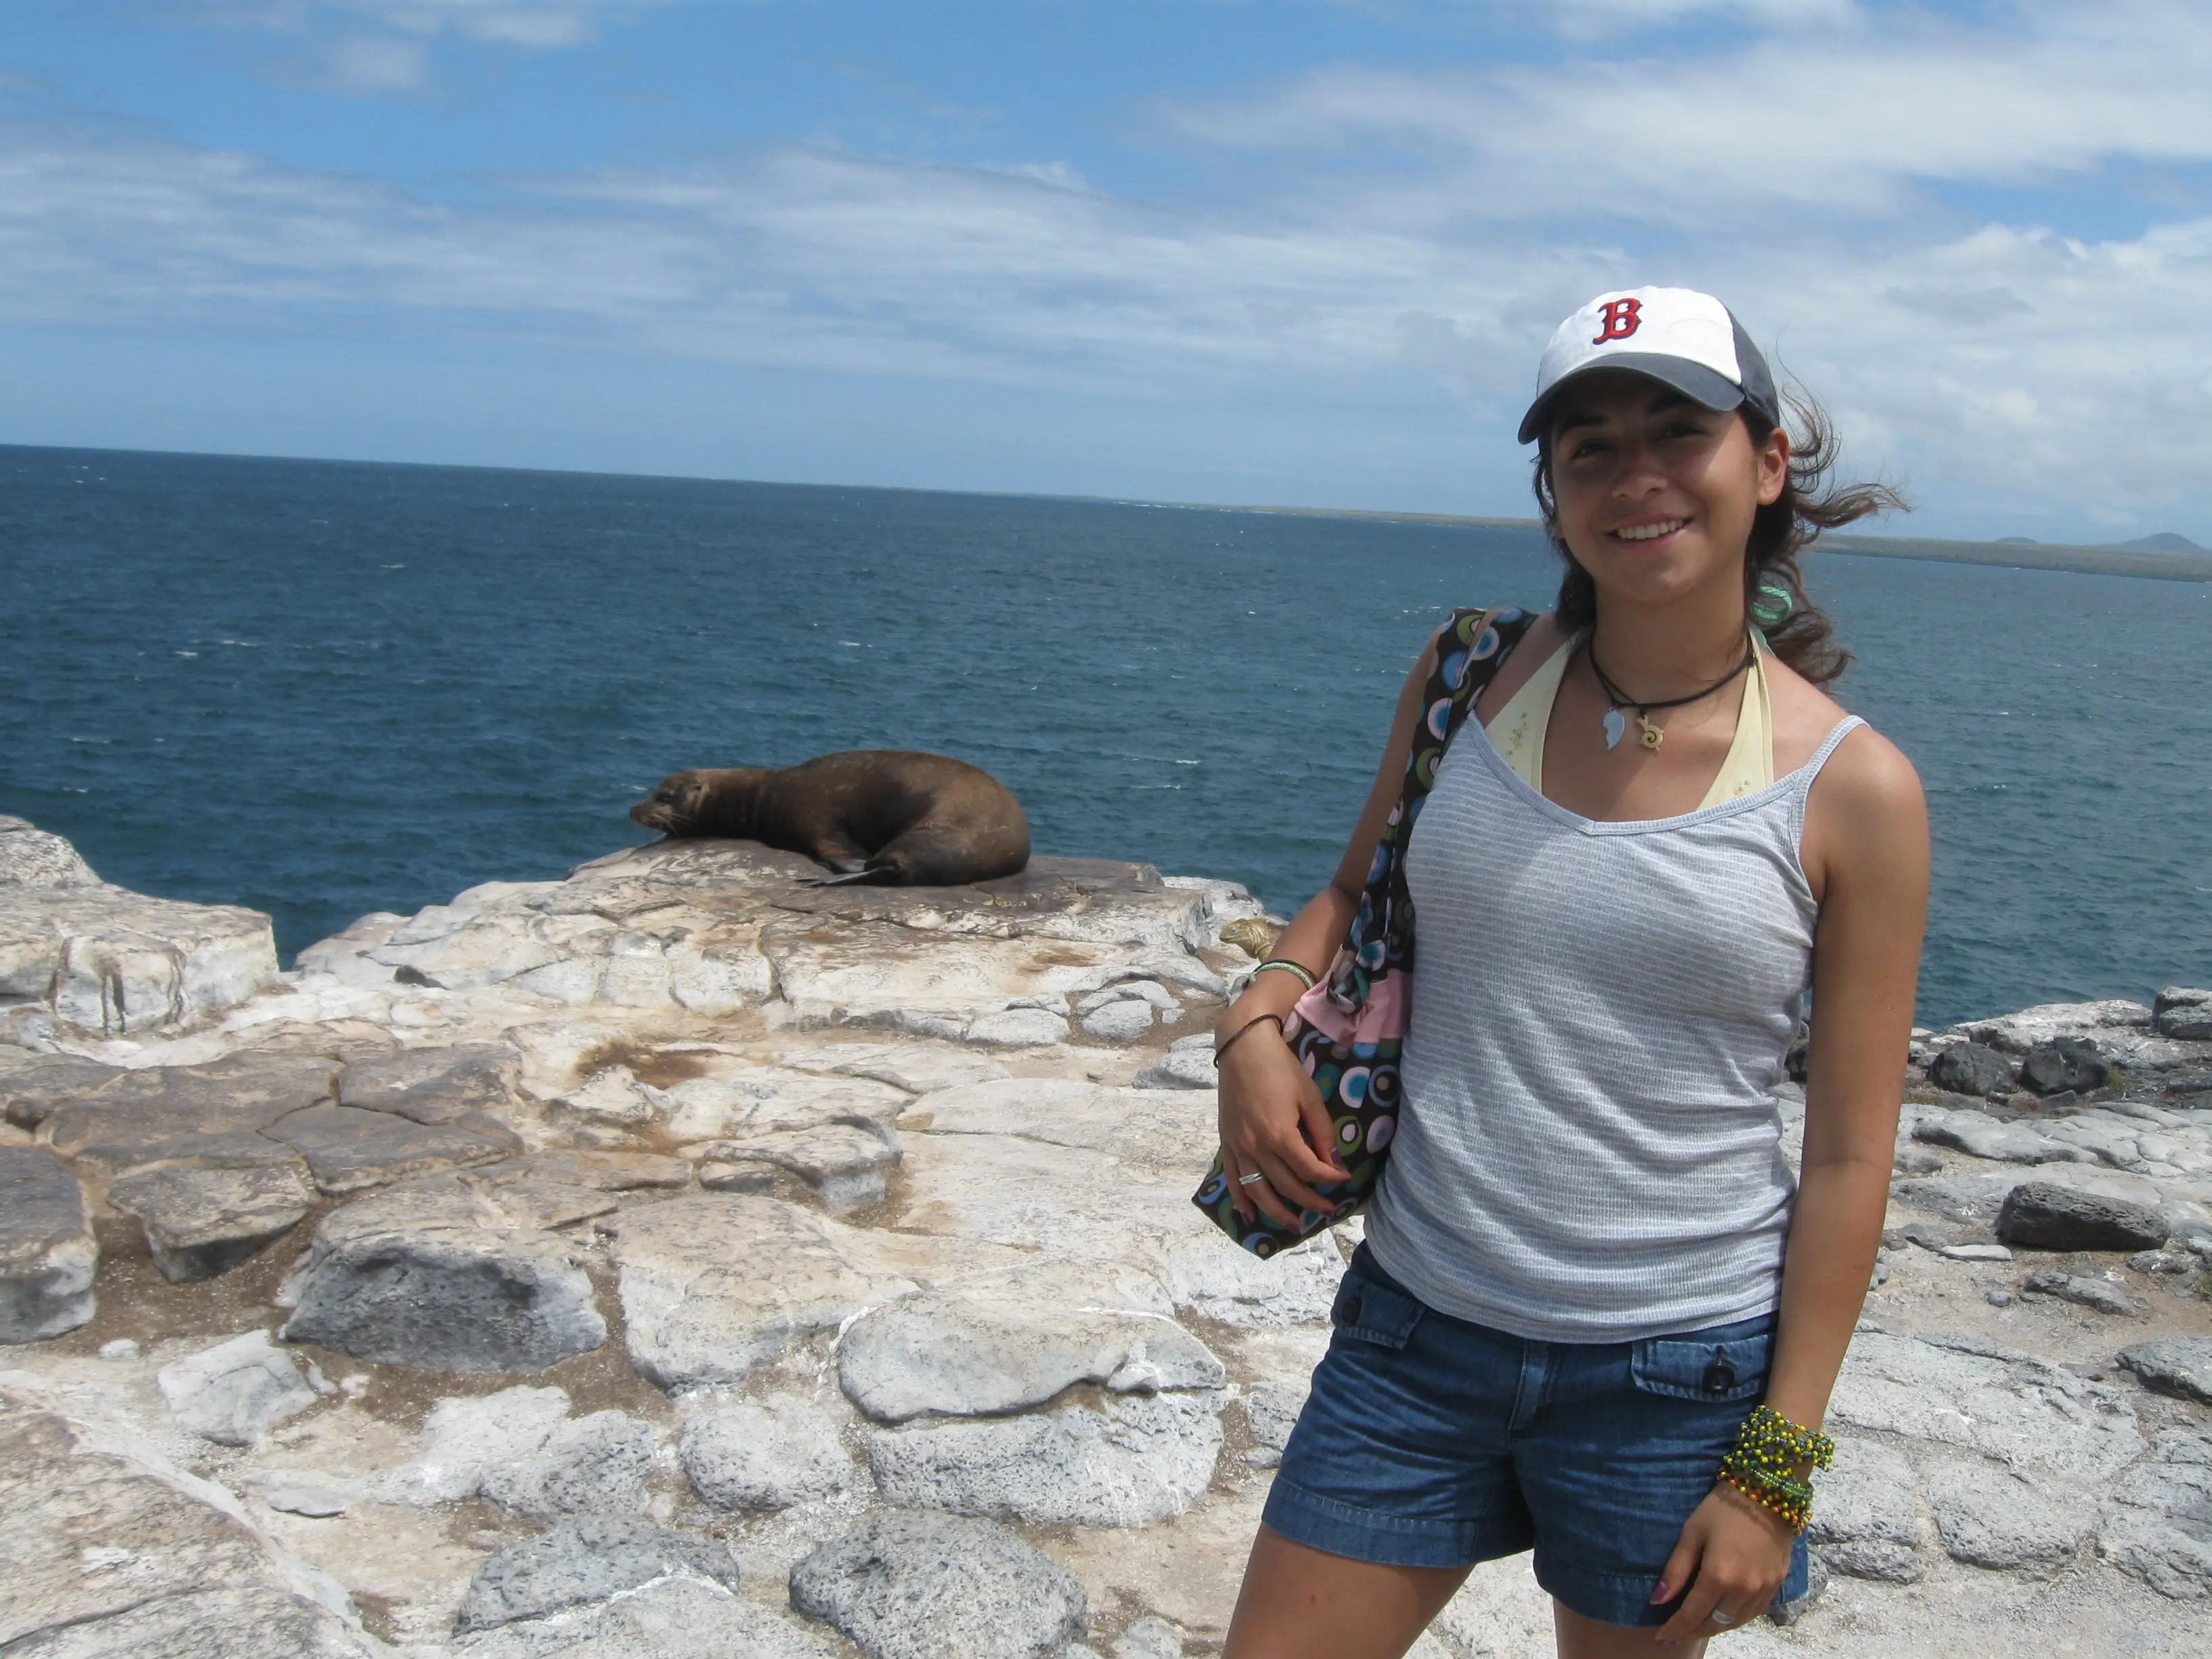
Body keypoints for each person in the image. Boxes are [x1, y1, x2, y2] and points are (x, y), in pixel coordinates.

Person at [1212, 287, 1929, 1658]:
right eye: (1589, 445)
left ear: (1766, 465)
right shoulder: (1469, 674)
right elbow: (1354, 893)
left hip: (1676, 1376)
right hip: (1413, 1339)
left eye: (1679, 429)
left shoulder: (1856, 793)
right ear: (1553, 493)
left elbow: (1847, 1157)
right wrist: (1253, 1023)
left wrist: (1773, 1471)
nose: (1636, 474)